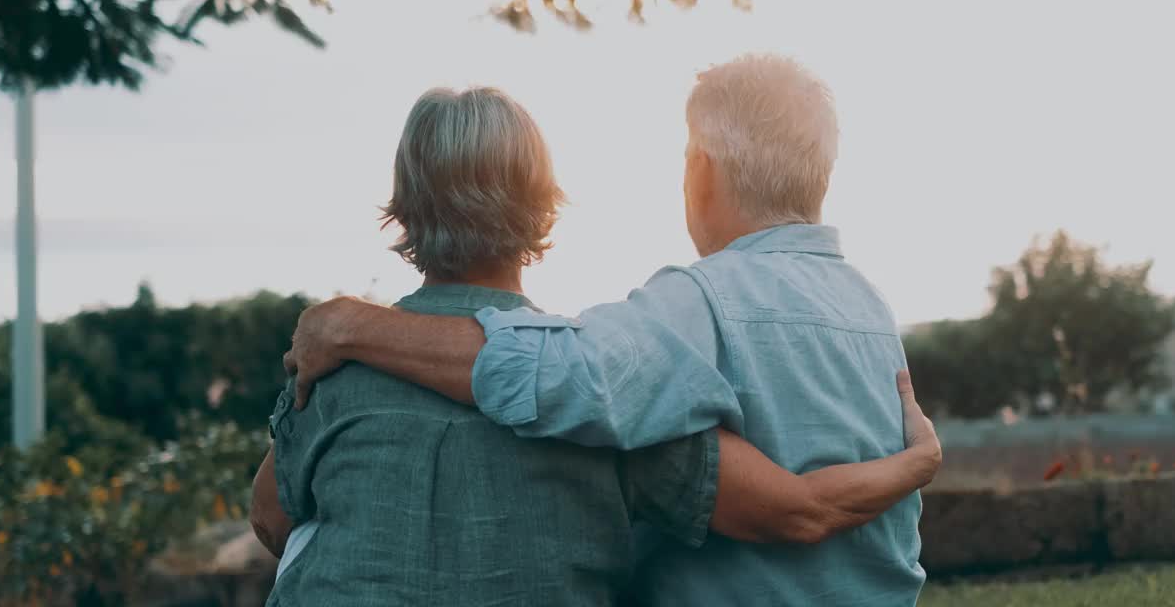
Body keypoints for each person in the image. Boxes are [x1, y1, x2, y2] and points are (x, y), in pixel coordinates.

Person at [252, 85, 941, 606]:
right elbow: (789, 508)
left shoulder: (334, 373)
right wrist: (912, 464)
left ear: (404, 206)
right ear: (543, 203)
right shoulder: (613, 397)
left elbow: (271, 519)